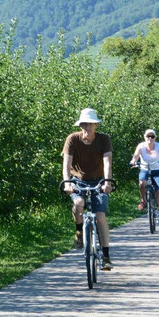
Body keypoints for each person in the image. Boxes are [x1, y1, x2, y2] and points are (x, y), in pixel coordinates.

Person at [61, 108, 114, 270]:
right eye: (84, 125)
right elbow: (66, 164)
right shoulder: (72, 139)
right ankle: (79, 232)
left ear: (96, 125)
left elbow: (107, 162)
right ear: (80, 125)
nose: (87, 128)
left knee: (100, 216)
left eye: (90, 125)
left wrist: (107, 182)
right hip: (78, 181)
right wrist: (67, 182)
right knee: (78, 203)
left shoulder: (104, 139)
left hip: (99, 181)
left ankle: (105, 256)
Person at [130, 128, 159, 224]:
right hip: (145, 169)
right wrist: (133, 161)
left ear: (155, 138)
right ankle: (143, 200)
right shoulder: (141, 146)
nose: (150, 138)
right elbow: (136, 155)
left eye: (152, 136)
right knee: (142, 183)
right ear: (144, 137)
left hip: (157, 170)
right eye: (148, 136)